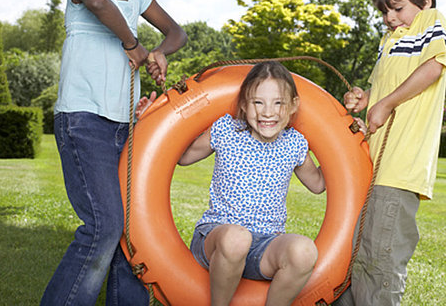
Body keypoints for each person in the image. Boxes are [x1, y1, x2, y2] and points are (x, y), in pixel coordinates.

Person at [41, 0, 187, 305]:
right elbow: (100, 5)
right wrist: (132, 43)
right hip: (84, 120)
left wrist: (158, 51)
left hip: (127, 125)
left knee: (133, 229)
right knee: (105, 226)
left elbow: (177, 31)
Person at [136, 61, 325, 306]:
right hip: (218, 236)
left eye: (278, 103)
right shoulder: (227, 130)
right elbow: (182, 156)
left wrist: (352, 141)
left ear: (292, 107)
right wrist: (153, 119)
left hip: (265, 245)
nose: (268, 112)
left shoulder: (295, 143)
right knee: (237, 238)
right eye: (258, 102)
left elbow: (318, 183)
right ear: (244, 105)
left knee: (304, 251)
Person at [334, 0, 446, 306]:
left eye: (397, 8)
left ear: (425, 0)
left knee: (380, 261)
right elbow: (380, 90)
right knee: (356, 252)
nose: (389, 18)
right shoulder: (390, 40)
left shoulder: (432, 22)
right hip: (374, 168)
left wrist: (386, 104)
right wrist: (365, 98)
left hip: (398, 170)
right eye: (384, 11)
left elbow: (433, 67)